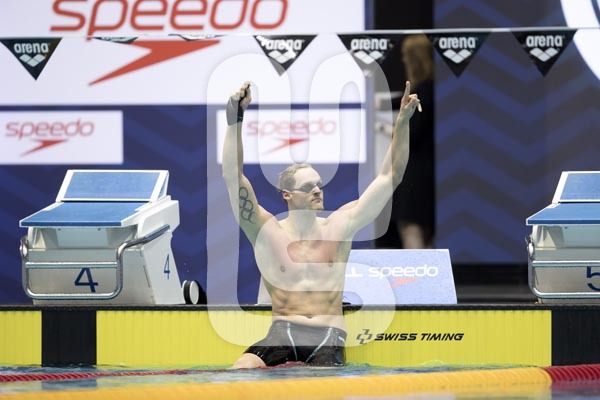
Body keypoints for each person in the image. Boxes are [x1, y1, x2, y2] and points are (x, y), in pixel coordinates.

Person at [222, 81, 421, 369]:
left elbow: (391, 175)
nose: (317, 190)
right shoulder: (267, 231)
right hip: (282, 333)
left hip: (328, 337)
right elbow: (233, 177)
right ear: (287, 195)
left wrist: (401, 122)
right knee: (239, 371)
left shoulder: (339, 226)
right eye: (308, 187)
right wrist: (235, 120)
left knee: (323, 385)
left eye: (319, 184)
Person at [390, 34, 435, 249]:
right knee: (424, 231)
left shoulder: (423, 93)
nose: (403, 61)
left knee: (411, 226)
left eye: (405, 56)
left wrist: (394, 127)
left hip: (418, 171)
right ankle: (426, 269)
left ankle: (418, 271)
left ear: (414, 59)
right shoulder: (433, 90)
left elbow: (414, 133)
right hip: (429, 169)